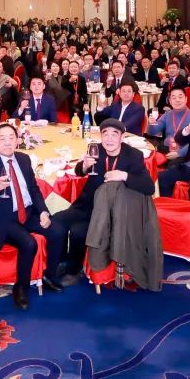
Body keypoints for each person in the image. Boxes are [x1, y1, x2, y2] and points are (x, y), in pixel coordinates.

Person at [0, 123, 66, 309]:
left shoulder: (23, 159)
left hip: (27, 213)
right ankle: (21, 288)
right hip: (2, 218)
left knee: (58, 231)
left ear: (17, 141)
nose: (7, 142)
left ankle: (48, 275)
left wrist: (43, 211)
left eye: (11, 138)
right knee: (28, 243)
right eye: (2, 139)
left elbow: (34, 189)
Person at [52, 118, 155, 285]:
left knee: (78, 231)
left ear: (122, 137)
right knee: (57, 220)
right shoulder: (96, 149)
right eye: (105, 134)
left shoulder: (133, 155)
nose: (109, 139)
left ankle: (74, 270)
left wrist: (124, 175)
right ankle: (63, 259)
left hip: (110, 212)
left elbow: (148, 187)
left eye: (114, 134)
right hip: (87, 204)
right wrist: (84, 166)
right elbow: (79, 171)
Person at [147, 87, 190, 158]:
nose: (177, 100)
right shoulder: (167, 114)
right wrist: (151, 124)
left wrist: (179, 153)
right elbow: (151, 133)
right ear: (170, 101)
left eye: (180, 97)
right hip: (165, 147)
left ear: (186, 99)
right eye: (174, 98)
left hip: (183, 152)